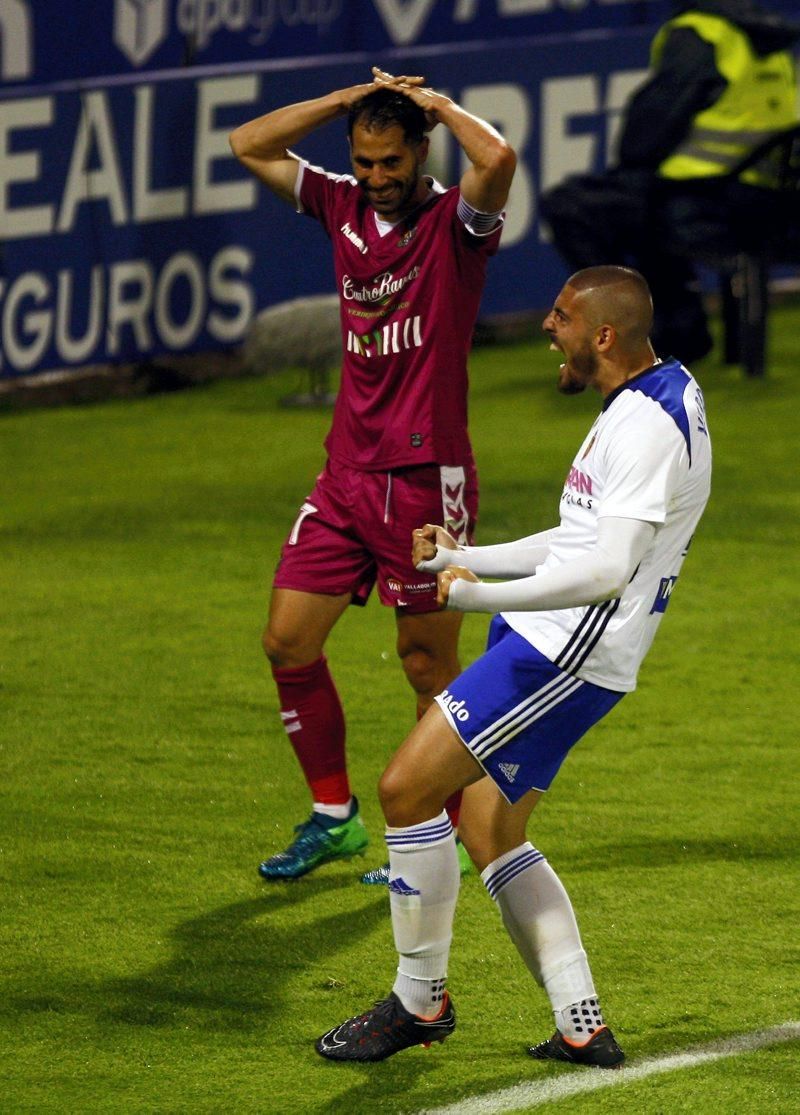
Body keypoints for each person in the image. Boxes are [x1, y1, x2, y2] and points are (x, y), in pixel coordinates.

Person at [314, 266, 712, 1066]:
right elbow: (579, 536)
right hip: (550, 636)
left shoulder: (647, 427)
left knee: (404, 788)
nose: (546, 328)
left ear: (604, 335)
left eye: (560, 317)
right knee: (491, 825)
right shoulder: (649, 399)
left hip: (563, 652)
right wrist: (466, 557)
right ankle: (581, 1022)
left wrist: (469, 598)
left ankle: (418, 1000)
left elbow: (605, 569)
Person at [229, 69, 517, 881]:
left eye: (391, 162)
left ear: (421, 151)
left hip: (428, 481)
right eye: (364, 161)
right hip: (346, 474)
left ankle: (448, 830)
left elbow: (498, 159)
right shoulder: (341, 205)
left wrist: (440, 104)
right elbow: (248, 143)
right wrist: (343, 101)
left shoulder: (456, 226)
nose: (377, 179)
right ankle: (334, 816)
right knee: (287, 641)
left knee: (427, 664)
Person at [541, 0, 799, 366]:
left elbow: (651, 123)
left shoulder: (699, 33)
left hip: (703, 204)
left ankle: (640, 333)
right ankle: (680, 328)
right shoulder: (766, 34)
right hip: (771, 202)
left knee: (571, 207)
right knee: (631, 201)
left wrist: (633, 166)